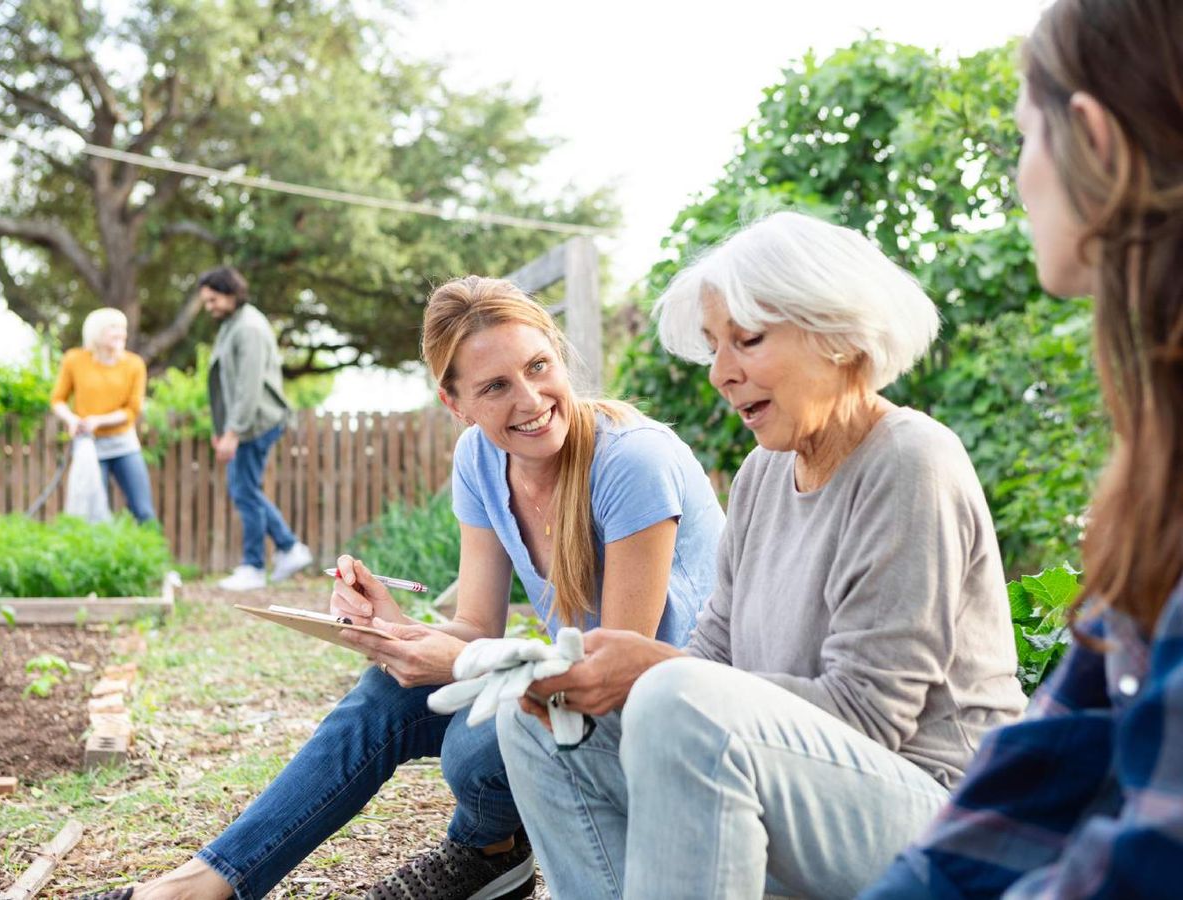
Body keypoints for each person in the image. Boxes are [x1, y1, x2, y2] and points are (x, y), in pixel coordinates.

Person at [81, 276, 723, 900]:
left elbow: (612, 676)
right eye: (495, 386)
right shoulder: (481, 460)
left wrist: (460, 659)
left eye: (538, 366)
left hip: (676, 717)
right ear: (456, 404)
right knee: (387, 690)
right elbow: (475, 629)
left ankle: (484, 851)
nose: (530, 400)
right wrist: (395, 628)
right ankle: (202, 885)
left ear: (558, 355)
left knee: (474, 747)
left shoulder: (630, 461)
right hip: (582, 697)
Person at [497, 211, 1030, 899]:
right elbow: (714, 655)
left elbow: (871, 716)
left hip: (946, 819)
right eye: (714, 347)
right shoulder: (762, 474)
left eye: (747, 340)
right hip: (812, 790)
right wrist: (596, 679)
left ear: (838, 337)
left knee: (677, 701)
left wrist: (654, 672)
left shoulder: (910, 461)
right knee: (539, 728)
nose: (721, 373)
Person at [862, 1, 1183, 896]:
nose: (1017, 179)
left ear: (1095, 140)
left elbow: (1153, 863)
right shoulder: (1158, 473)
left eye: (1022, 139)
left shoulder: (911, 456)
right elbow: (1063, 740)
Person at [199, 266, 312, 591]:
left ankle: (254, 565)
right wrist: (222, 428)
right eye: (206, 302)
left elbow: (247, 387)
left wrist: (233, 431)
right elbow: (225, 384)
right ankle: (288, 548)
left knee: (244, 491)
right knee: (245, 489)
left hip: (256, 422)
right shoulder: (232, 324)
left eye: (213, 299)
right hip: (246, 423)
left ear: (231, 293)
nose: (209, 307)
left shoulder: (248, 327)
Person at [51, 307, 156, 523]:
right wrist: (72, 419)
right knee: (93, 511)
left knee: (143, 510)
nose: (121, 333)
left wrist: (98, 421)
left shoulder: (134, 364)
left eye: (123, 328)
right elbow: (57, 400)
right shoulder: (74, 360)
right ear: (96, 332)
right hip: (89, 445)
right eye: (113, 328)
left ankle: (150, 544)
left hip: (124, 443)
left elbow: (132, 410)